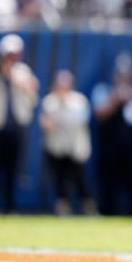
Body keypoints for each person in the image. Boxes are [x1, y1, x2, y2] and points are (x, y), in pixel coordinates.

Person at [0, 34, 39, 213]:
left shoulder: (22, 71)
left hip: (16, 126)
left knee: (12, 168)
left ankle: (10, 206)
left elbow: (32, 91)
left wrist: (9, 73)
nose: (11, 58)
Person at [92, 51, 132, 215]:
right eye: (121, 75)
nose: (124, 79)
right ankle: (106, 210)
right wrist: (116, 97)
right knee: (108, 182)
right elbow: (100, 113)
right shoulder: (104, 90)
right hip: (110, 146)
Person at [39, 69, 97, 215]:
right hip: (57, 147)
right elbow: (46, 123)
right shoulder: (49, 102)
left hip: (76, 148)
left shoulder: (79, 101)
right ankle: (63, 209)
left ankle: (89, 207)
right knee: (60, 179)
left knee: (80, 179)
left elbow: (82, 122)